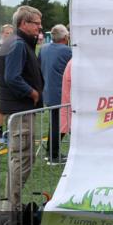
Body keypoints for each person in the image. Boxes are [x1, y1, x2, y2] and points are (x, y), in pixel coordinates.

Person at [0, 6, 44, 207]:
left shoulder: (19, 42)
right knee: (21, 159)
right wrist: (32, 92)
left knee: (24, 159)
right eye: (36, 23)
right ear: (23, 23)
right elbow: (12, 77)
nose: (40, 27)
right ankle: (11, 207)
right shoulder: (17, 44)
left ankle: (12, 204)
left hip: (21, 110)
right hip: (20, 110)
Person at [39, 24, 72, 163]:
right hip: (61, 92)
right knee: (61, 123)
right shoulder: (67, 51)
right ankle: (53, 154)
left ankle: (51, 152)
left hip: (48, 91)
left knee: (55, 123)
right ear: (65, 37)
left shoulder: (44, 48)